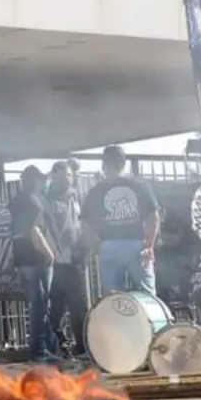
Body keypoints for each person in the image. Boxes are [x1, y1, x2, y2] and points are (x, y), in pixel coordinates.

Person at [80, 145, 160, 297]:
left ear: (104, 165)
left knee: (113, 299)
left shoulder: (96, 191)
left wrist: (96, 246)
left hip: (108, 246)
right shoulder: (139, 186)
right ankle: (151, 320)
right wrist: (149, 245)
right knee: (148, 296)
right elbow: (153, 217)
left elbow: (85, 225)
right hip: (137, 245)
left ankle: (117, 320)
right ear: (124, 164)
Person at [8, 165, 59, 362]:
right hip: (36, 259)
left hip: (22, 259)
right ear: (36, 180)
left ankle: (46, 346)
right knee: (40, 305)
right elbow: (34, 231)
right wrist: (48, 253)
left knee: (36, 304)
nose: (45, 183)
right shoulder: (33, 202)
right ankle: (40, 349)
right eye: (42, 180)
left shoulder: (16, 201)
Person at [43, 161, 89, 357]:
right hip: (56, 262)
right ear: (53, 177)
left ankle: (82, 346)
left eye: (69, 175)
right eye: (62, 176)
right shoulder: (47, 201)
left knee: (80, 306)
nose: (67, 179)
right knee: (56, 308)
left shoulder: (76, 197)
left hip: (75, 260)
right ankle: (56, 344)